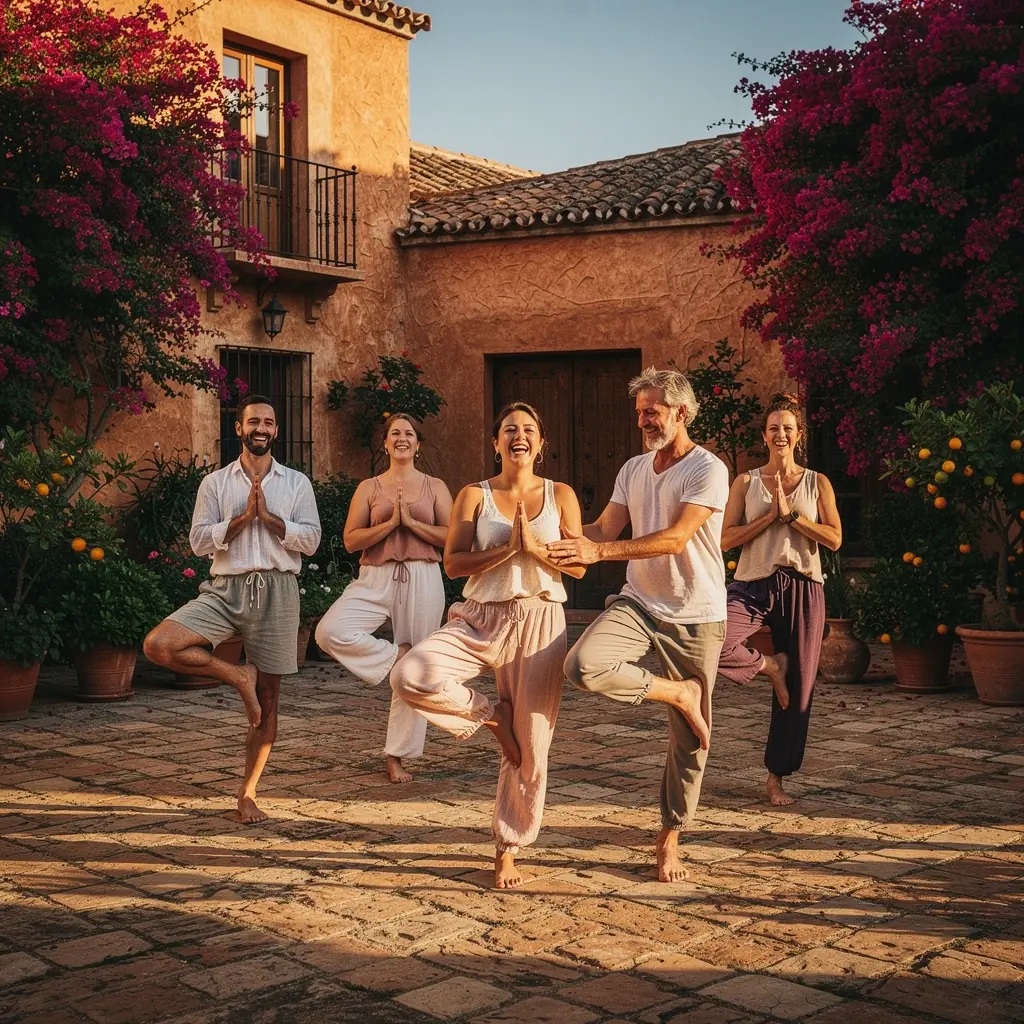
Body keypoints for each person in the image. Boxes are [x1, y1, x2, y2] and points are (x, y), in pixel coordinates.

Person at [390, 402, 584, 889]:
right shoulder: (473, 496)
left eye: (528, 430)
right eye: (509, 430)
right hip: (480, 618)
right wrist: (507, 549)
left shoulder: (561, 494)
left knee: (531, 750)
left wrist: (535, 550)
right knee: (411, 673)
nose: (519, 436)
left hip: (540, 621)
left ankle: (507, 848)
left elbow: (580, 566)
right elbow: (453, 564)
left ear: (541, 444)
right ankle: (490, 716)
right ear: (496, 442)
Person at [551, 367, 728, 884]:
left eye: (652, 411)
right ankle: (677, 692)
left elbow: (674, 538)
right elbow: (603, 528)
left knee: (691, 742)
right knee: (582, 664)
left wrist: (599, 551)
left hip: (696, 613)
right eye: (640, 413)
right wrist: (546, 530)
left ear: (682, 413)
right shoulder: (633, 468)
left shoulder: (707, 469)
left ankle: (671, 835)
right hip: (640, 602)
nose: (644, 421)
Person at [143, 395, 321, 824]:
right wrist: (241, 520)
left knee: (269, 698)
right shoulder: (215, 484)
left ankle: (247, 793)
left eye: (269, 422)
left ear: (276, 431)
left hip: (278, 589)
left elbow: (312, 540)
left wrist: (272, 521)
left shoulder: (296, 483)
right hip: (225, 589)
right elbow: (198, 541)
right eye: (253, 421)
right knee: (160, 645)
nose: (261, 427)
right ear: (239, 429)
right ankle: (237, 674)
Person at [717, 393, 842, 807]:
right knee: (717, 641)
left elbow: (835, 539)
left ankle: (776, 778)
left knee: (800, 689)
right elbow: (724, 538)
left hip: (804, 586)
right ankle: (769, 666)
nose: (781, 434)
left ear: (798, 434)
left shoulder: (816, 482)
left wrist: (792, 518)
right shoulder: (746, 482)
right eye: (774, 427)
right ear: (764, 435)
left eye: (788, 427)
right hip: (752, 583)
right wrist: (768, 517)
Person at [315, 414, 453, 783]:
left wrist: (413, 525)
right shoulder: (369, 487)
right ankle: (396, 657)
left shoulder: (434, 485)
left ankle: (397, 755)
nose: (402, 438)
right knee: (329, 631)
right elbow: (350, 540)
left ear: (417, 444)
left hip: (423, 576)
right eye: (395, 433)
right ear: (386, 443)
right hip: (375, 577)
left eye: (409, 433)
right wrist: (389, 525)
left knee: (416, 673)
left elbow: (453, 538)